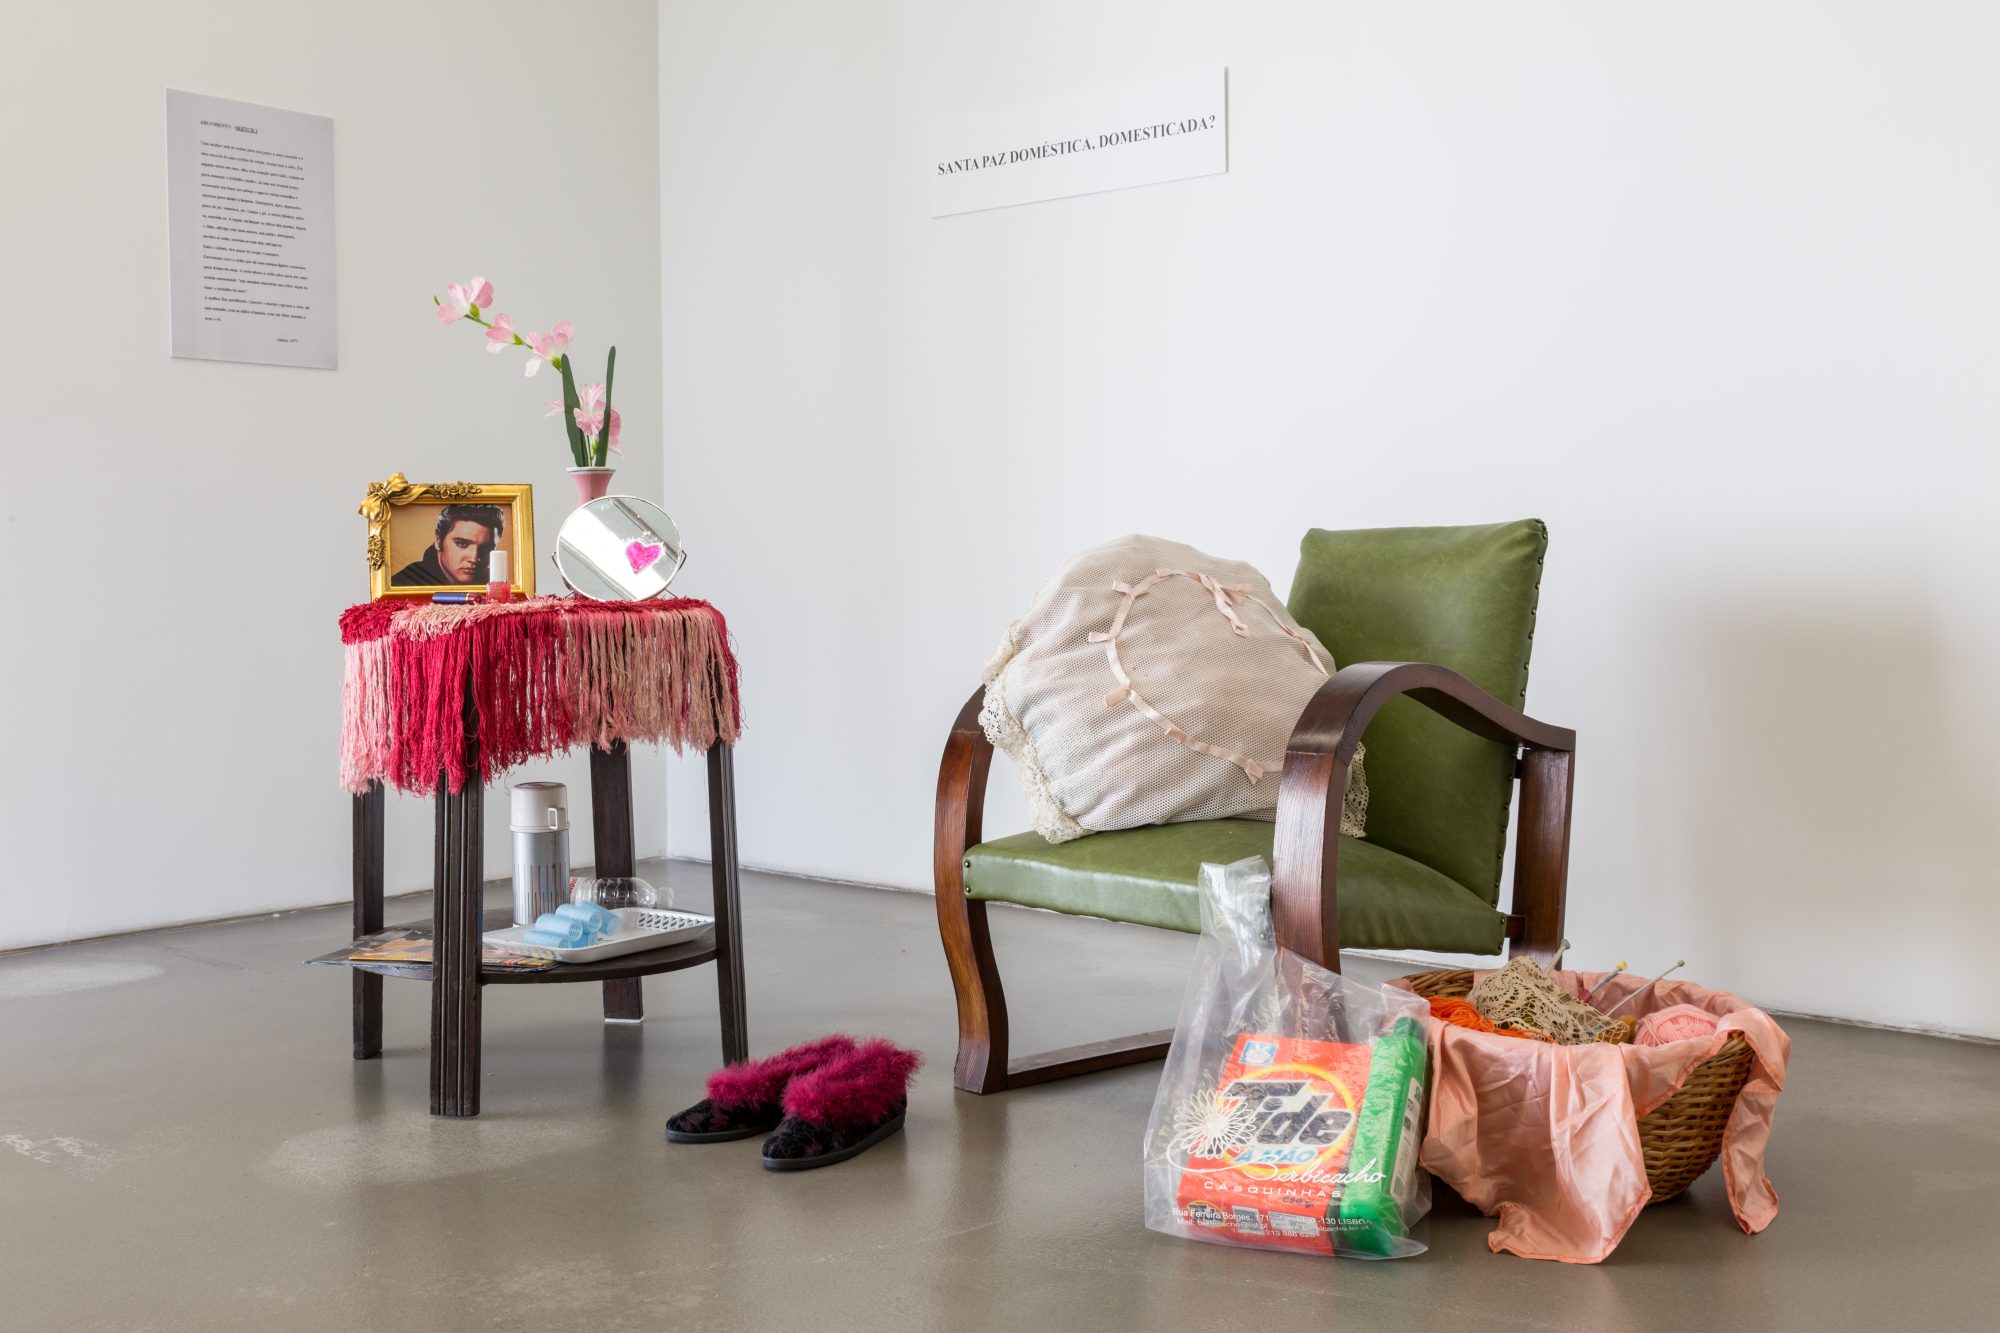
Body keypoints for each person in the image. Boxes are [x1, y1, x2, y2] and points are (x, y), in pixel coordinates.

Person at [392, 504, 506, 586]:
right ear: (438, 541)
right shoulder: (403, 584)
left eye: (486, 548)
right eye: (462, 544)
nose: (474, 558)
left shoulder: (496, 585)